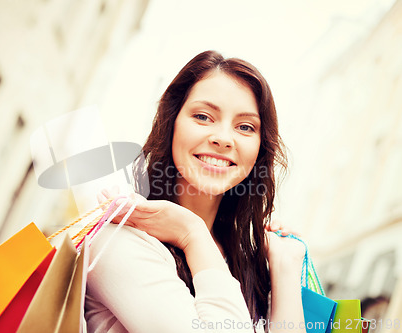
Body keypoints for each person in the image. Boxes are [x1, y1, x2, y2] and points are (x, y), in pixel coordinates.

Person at [84, 50, 306, 333]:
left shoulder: (249, 262)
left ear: (260, 148)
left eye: (245, 126)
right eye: (203, 116)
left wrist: (285, 267)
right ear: (171, 122)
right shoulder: (119, 237)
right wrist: (192, 233)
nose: (223, 139)